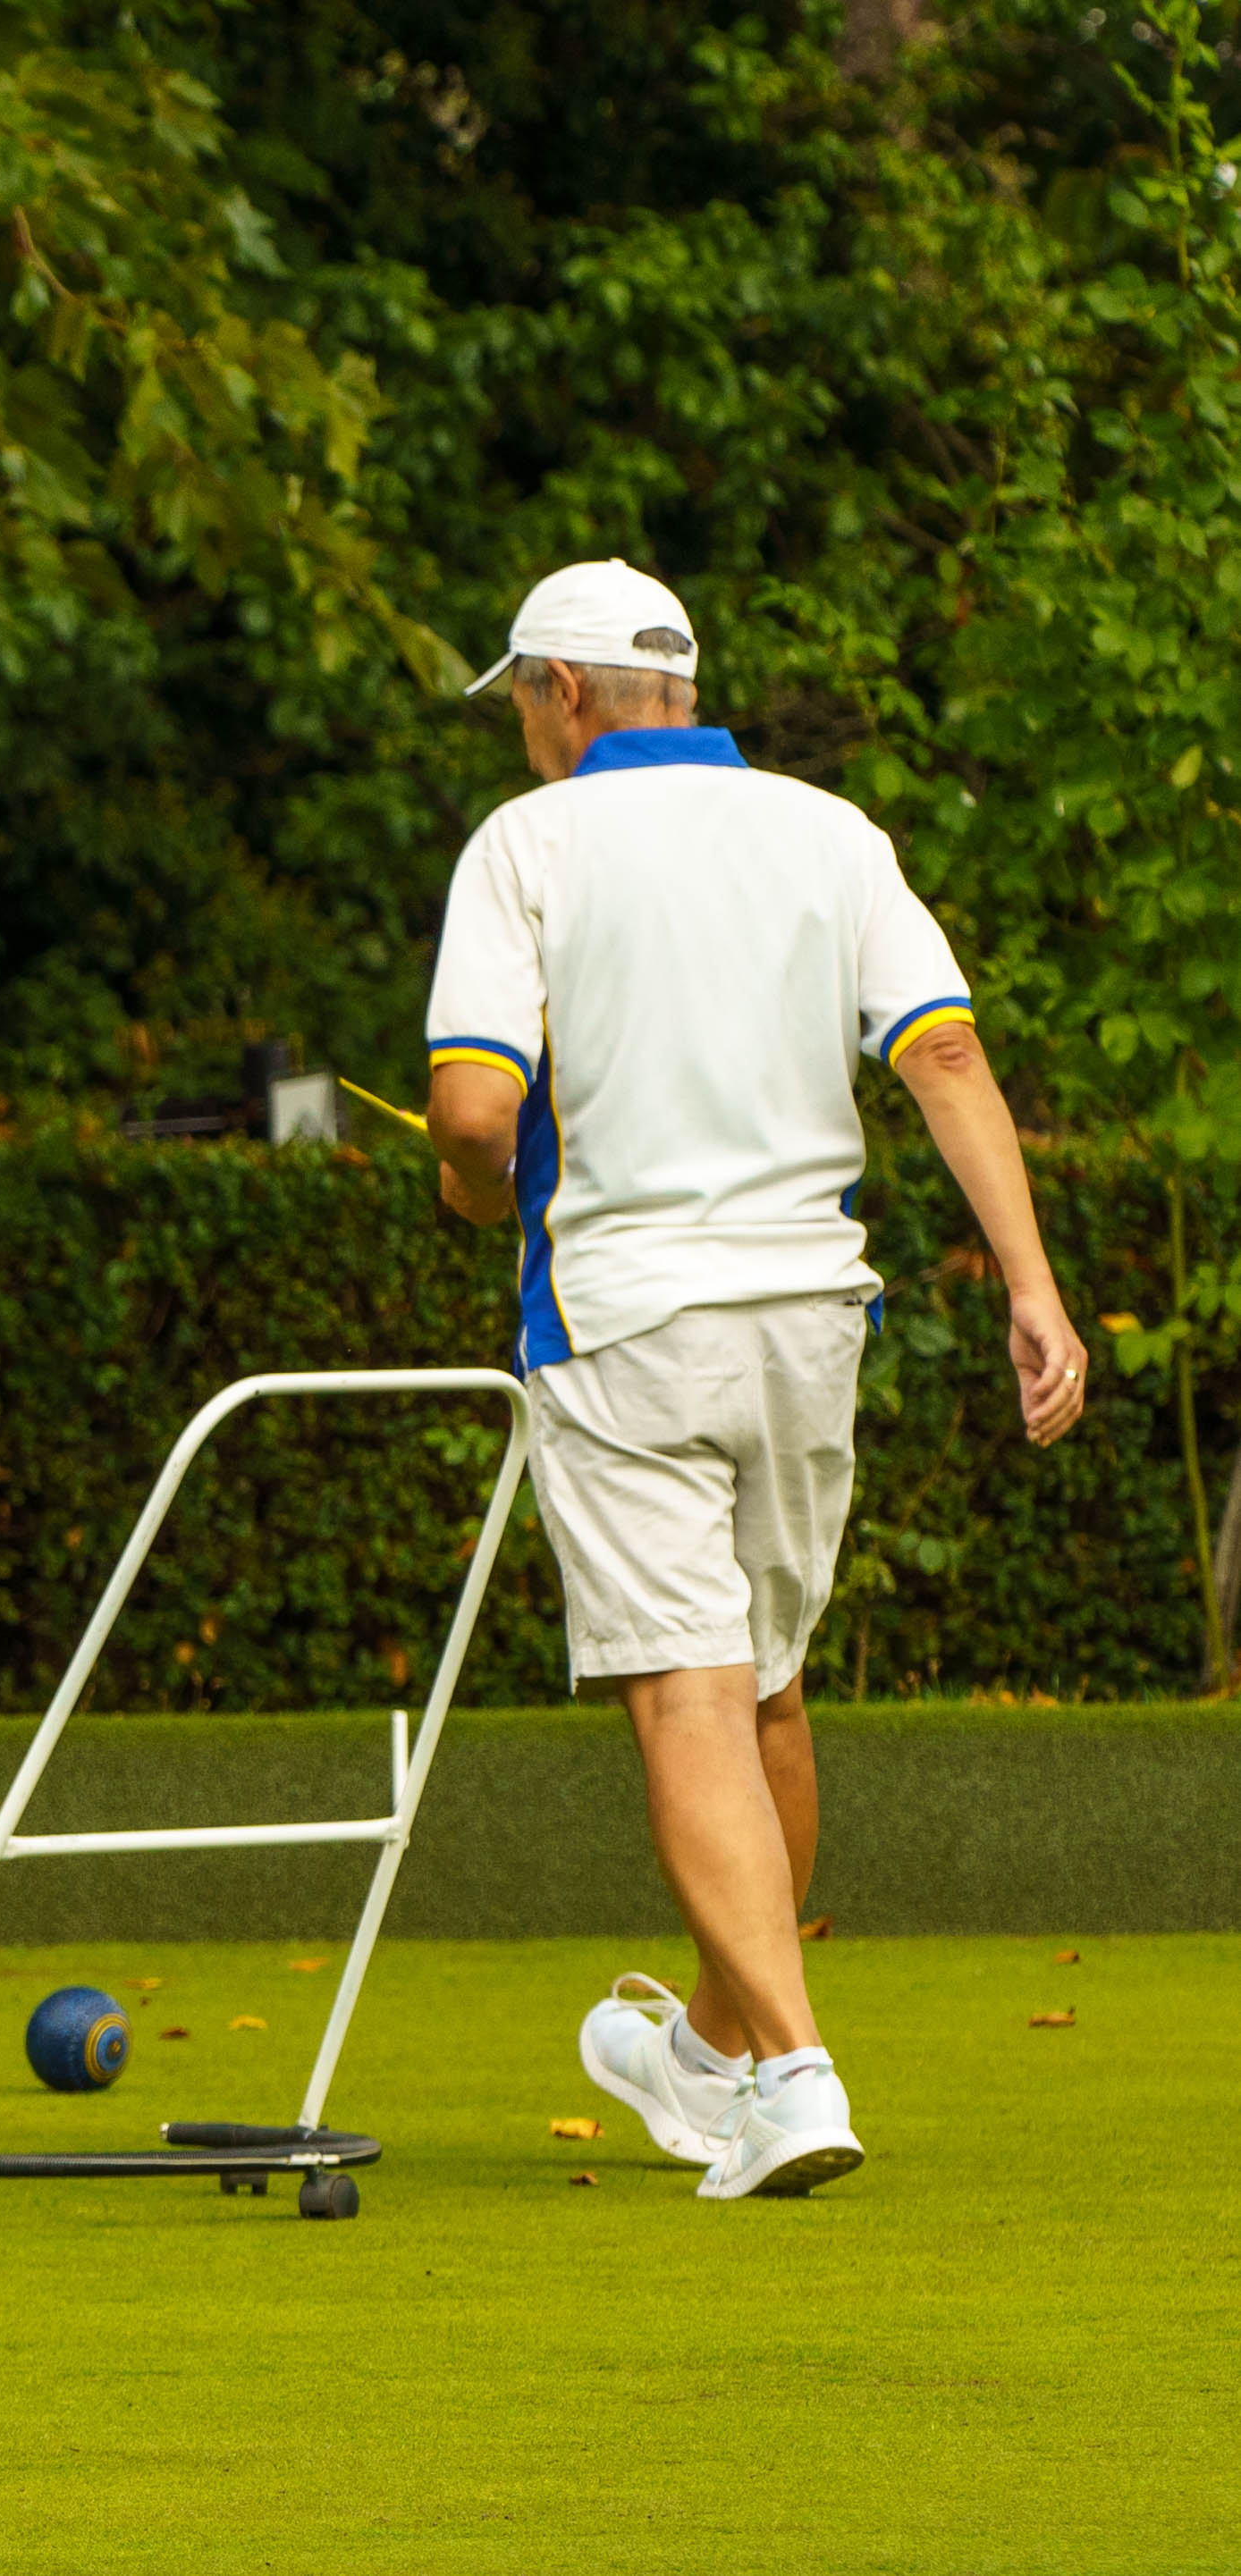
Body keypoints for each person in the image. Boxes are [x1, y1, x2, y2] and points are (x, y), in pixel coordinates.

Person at [423, 560, 1088, 2201]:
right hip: (811, 1316)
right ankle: (711, 2058)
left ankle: (792, 2077)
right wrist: (1031, 1282)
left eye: (520, 696)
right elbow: (939, 1050)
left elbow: (467, 1112)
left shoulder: (531, 844)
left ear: (566, 693)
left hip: (626, 1317)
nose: (520, 728)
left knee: (689, 1692)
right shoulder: (829, 830)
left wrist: (468, 1190)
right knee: (769, 1686)